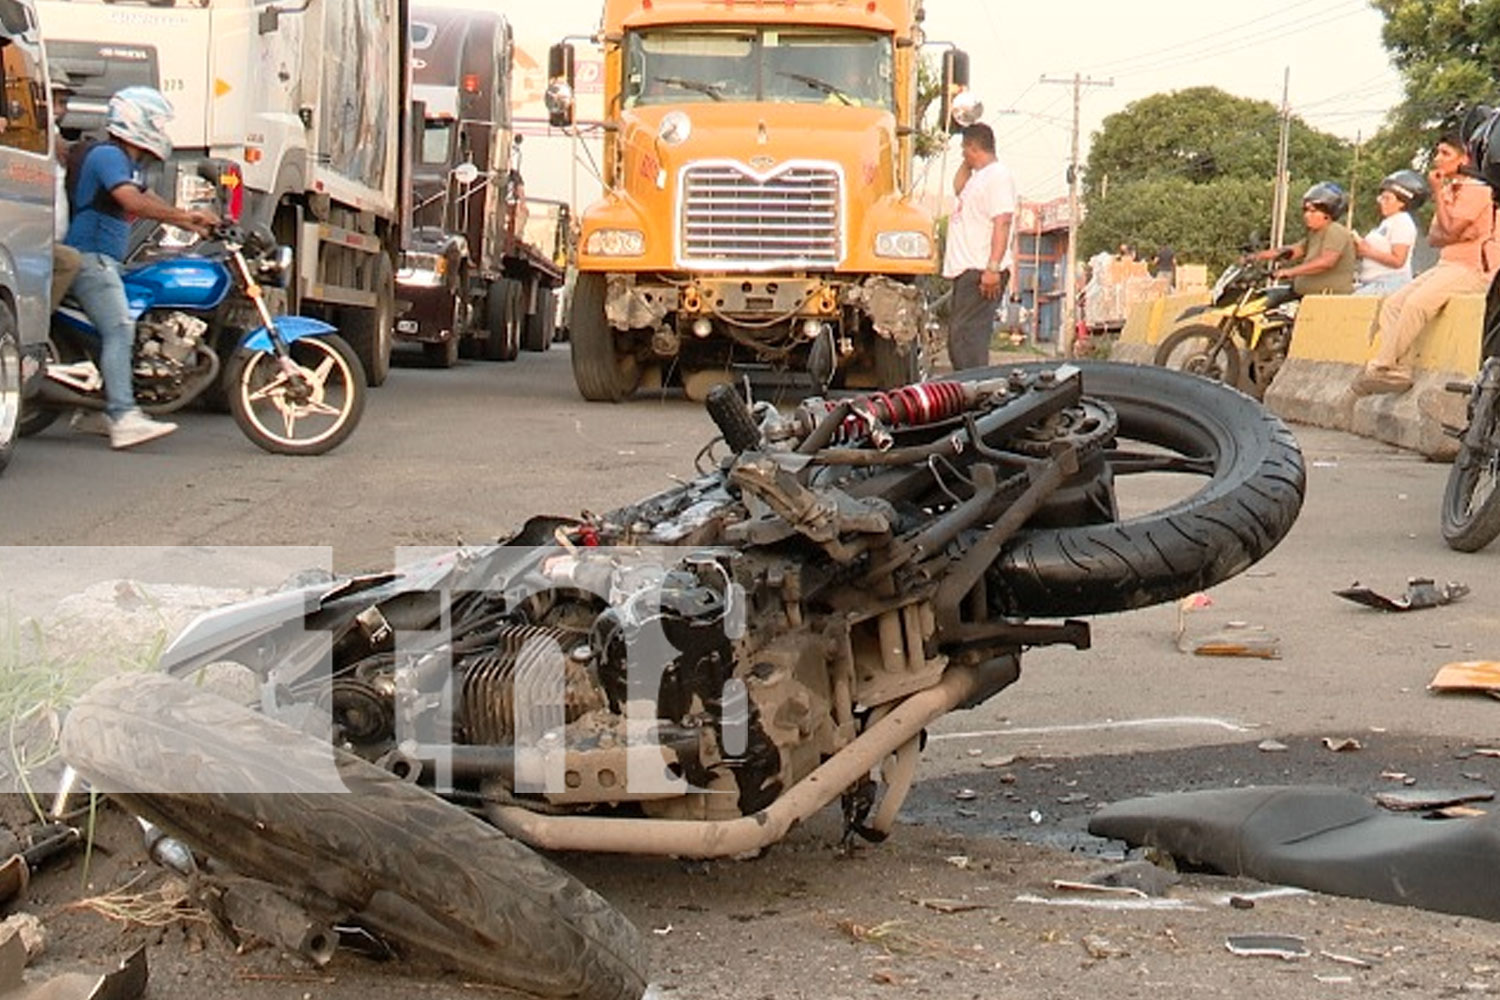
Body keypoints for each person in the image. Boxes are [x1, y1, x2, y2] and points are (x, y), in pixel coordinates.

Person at [63, 86, 217, 449]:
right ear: (136, 120)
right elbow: (129, 199)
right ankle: (123, 416)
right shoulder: (108, 156)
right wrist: (182, 215)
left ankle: (93, 411)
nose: (162, 131)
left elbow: (145, 197)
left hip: (106, 261)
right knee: (120, 328)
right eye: (157, 122)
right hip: (91, 260)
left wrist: (192, 222)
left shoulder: (124, 162)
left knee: (121, 327)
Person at [1353, 130, 1496, 396]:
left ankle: (1381, 365)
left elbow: (1449, 230)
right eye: (1438, 152)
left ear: (1465, 158)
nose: (1437, 159)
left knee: (1416, 305)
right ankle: (1399, 369)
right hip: (1447, 264)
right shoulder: (1453, 190)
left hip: (1472, 268)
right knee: (1393, 305)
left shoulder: (1479, 190)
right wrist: (1452, 226)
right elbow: (1435, 237)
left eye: (1446, 154)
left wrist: (1441, 201)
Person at [942, 122, 1015, 371]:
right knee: (959, 339)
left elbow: (1003, 222)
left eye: (965, 149)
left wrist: (993, 268)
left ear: (973, 147)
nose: (963, 154)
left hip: (982, 271)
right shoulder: (979, 177)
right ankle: (969, 390)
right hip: (968, 271)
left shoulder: (998, 176)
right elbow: (958, 186)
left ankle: (976, 394)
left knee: (968, 339)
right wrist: (967, 159)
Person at [1255, 182, 1356, 296]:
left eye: (1313, 211)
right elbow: (1292, 251)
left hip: (1327, 301)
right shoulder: (1314, 234)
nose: (1307, 215)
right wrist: (1256, 256)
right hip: (1307, 297)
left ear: (1328, 214)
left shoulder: (1335, 231)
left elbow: (1326, 262)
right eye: (1306, 211)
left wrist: (1289, 272)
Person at [1353, 170, 1426, 296]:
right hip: (1372, 281)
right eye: (1381, 198)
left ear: (1402, 202)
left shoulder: (1402, 222)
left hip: (1389, 282)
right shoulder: (1388, 222)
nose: (1382, 202)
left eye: (1387, 198)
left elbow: (1398, 260)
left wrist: (1367, 251)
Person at [48, 64, 80, 313]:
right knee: (69, 261)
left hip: (48, 241)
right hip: (27, 240)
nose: (59, 110)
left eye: (64, 102)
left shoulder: (56, 138)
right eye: (53, 100)